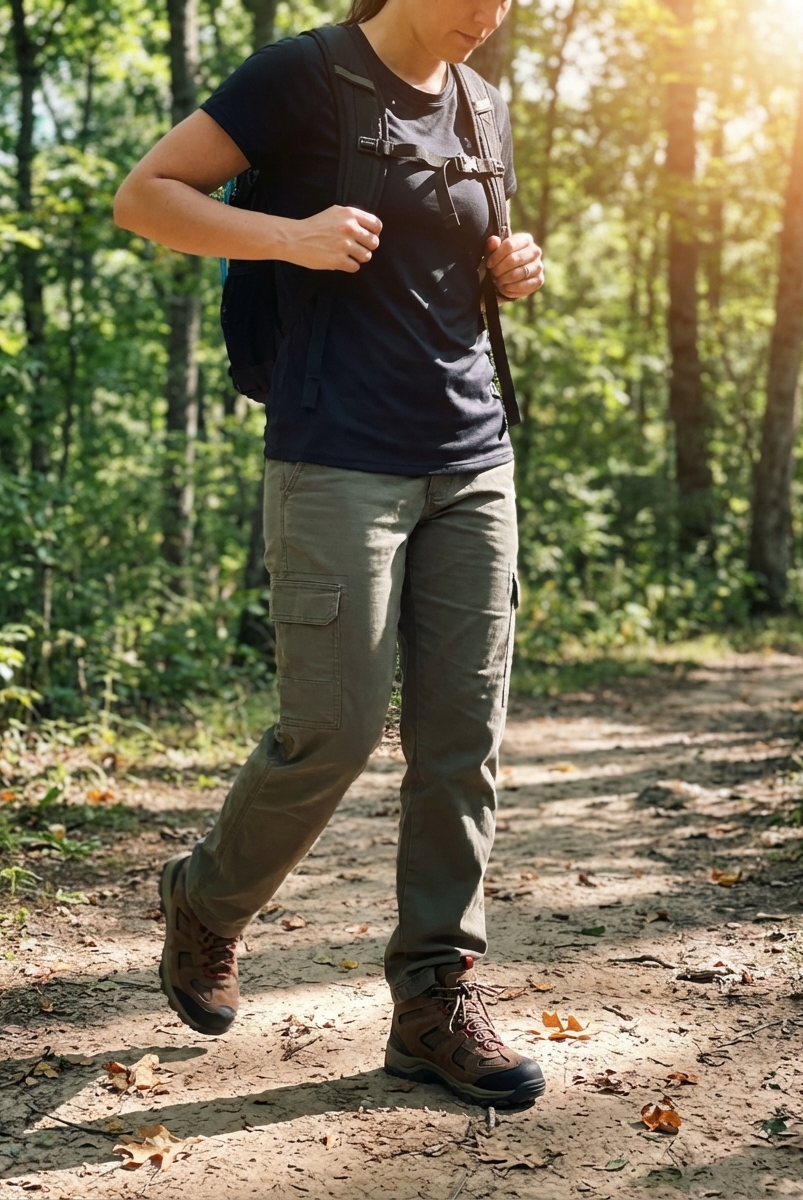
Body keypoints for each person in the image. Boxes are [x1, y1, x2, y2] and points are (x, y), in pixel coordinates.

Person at [114, 0, 546, 1110]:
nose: (487, 13)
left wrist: (510, 267)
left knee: (462, 736)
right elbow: (146, 195)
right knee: (336, 726)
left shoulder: (482, 103)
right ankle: (207, 901)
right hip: (335, 456)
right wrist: (286, 235)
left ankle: (434, 997)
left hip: (472, 455)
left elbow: (451, 262)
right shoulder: (302, 74)